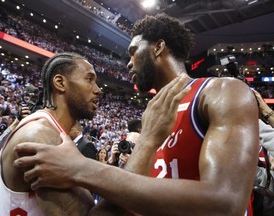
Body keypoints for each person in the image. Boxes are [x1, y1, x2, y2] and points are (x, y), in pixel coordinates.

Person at [14, 13, 259, 215]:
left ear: (158, 47)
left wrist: (81, 169)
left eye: (133, 51)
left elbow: (226, 203)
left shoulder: (221, 91)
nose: (128, 63)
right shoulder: (151, 116)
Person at [0, 52, 102, 215]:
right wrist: (146, 142)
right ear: (60, 83)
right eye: (89, 79)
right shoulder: (40, 135)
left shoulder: (53, 131)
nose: (98, 90)